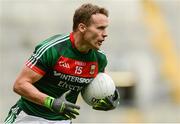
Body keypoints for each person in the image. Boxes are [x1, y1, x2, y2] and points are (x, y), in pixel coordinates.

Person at [4, 3, 119, 123]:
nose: (105, 34)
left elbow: (99, 85)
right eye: (100, 28)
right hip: (28, 116)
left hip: (61, 120)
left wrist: (107, 98)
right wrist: (51, 102)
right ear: (82, 27)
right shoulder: (53, 49)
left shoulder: (99, 58)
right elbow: (20, 85)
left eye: (106, 28)